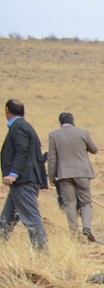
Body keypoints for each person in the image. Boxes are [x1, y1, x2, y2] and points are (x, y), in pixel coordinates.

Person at [1, 99, 49, 251]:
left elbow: (22, 150)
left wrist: (13, 174)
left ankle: (42, 254)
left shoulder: (19, 127)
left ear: (7, 110)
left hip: (24, 180)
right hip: (24, 180)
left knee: (31, 217)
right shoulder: (23, 126)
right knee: (7, 218)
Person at [47, 112, 98, 242]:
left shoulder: (54, 135)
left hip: (64, 174)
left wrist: (51, 176)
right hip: (82, 173)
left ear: (60, 122)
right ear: (73, 121)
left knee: (70, 204)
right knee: (86, 203)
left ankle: (74, 234)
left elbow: (52, 157)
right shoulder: (83, 132)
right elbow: (94, 149)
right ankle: (86, 227)